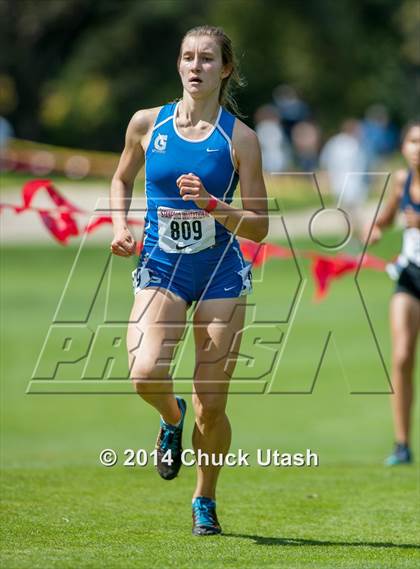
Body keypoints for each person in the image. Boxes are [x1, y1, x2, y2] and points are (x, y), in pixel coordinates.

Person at [110, 25, 268, 535]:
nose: (194, 66)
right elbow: (121, 178)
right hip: (160, 267)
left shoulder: (240, 139)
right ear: (178, 65)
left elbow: (260, 224)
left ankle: (205, 499)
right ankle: (170, 417)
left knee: (213, 404)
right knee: (144, 373)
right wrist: (119, 226)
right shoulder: (145, 123)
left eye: (205, 59)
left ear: (225, 69)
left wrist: (212, 205)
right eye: (186, 57)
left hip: (221, 272)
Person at [365, 121, 420, 465]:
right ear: (403, 147)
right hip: (410, 277)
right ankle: (402, 445)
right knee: (401, 357)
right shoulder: (403, 181)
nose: (418, 147)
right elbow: (384, 219)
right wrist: (372, 230)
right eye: (413, 141)